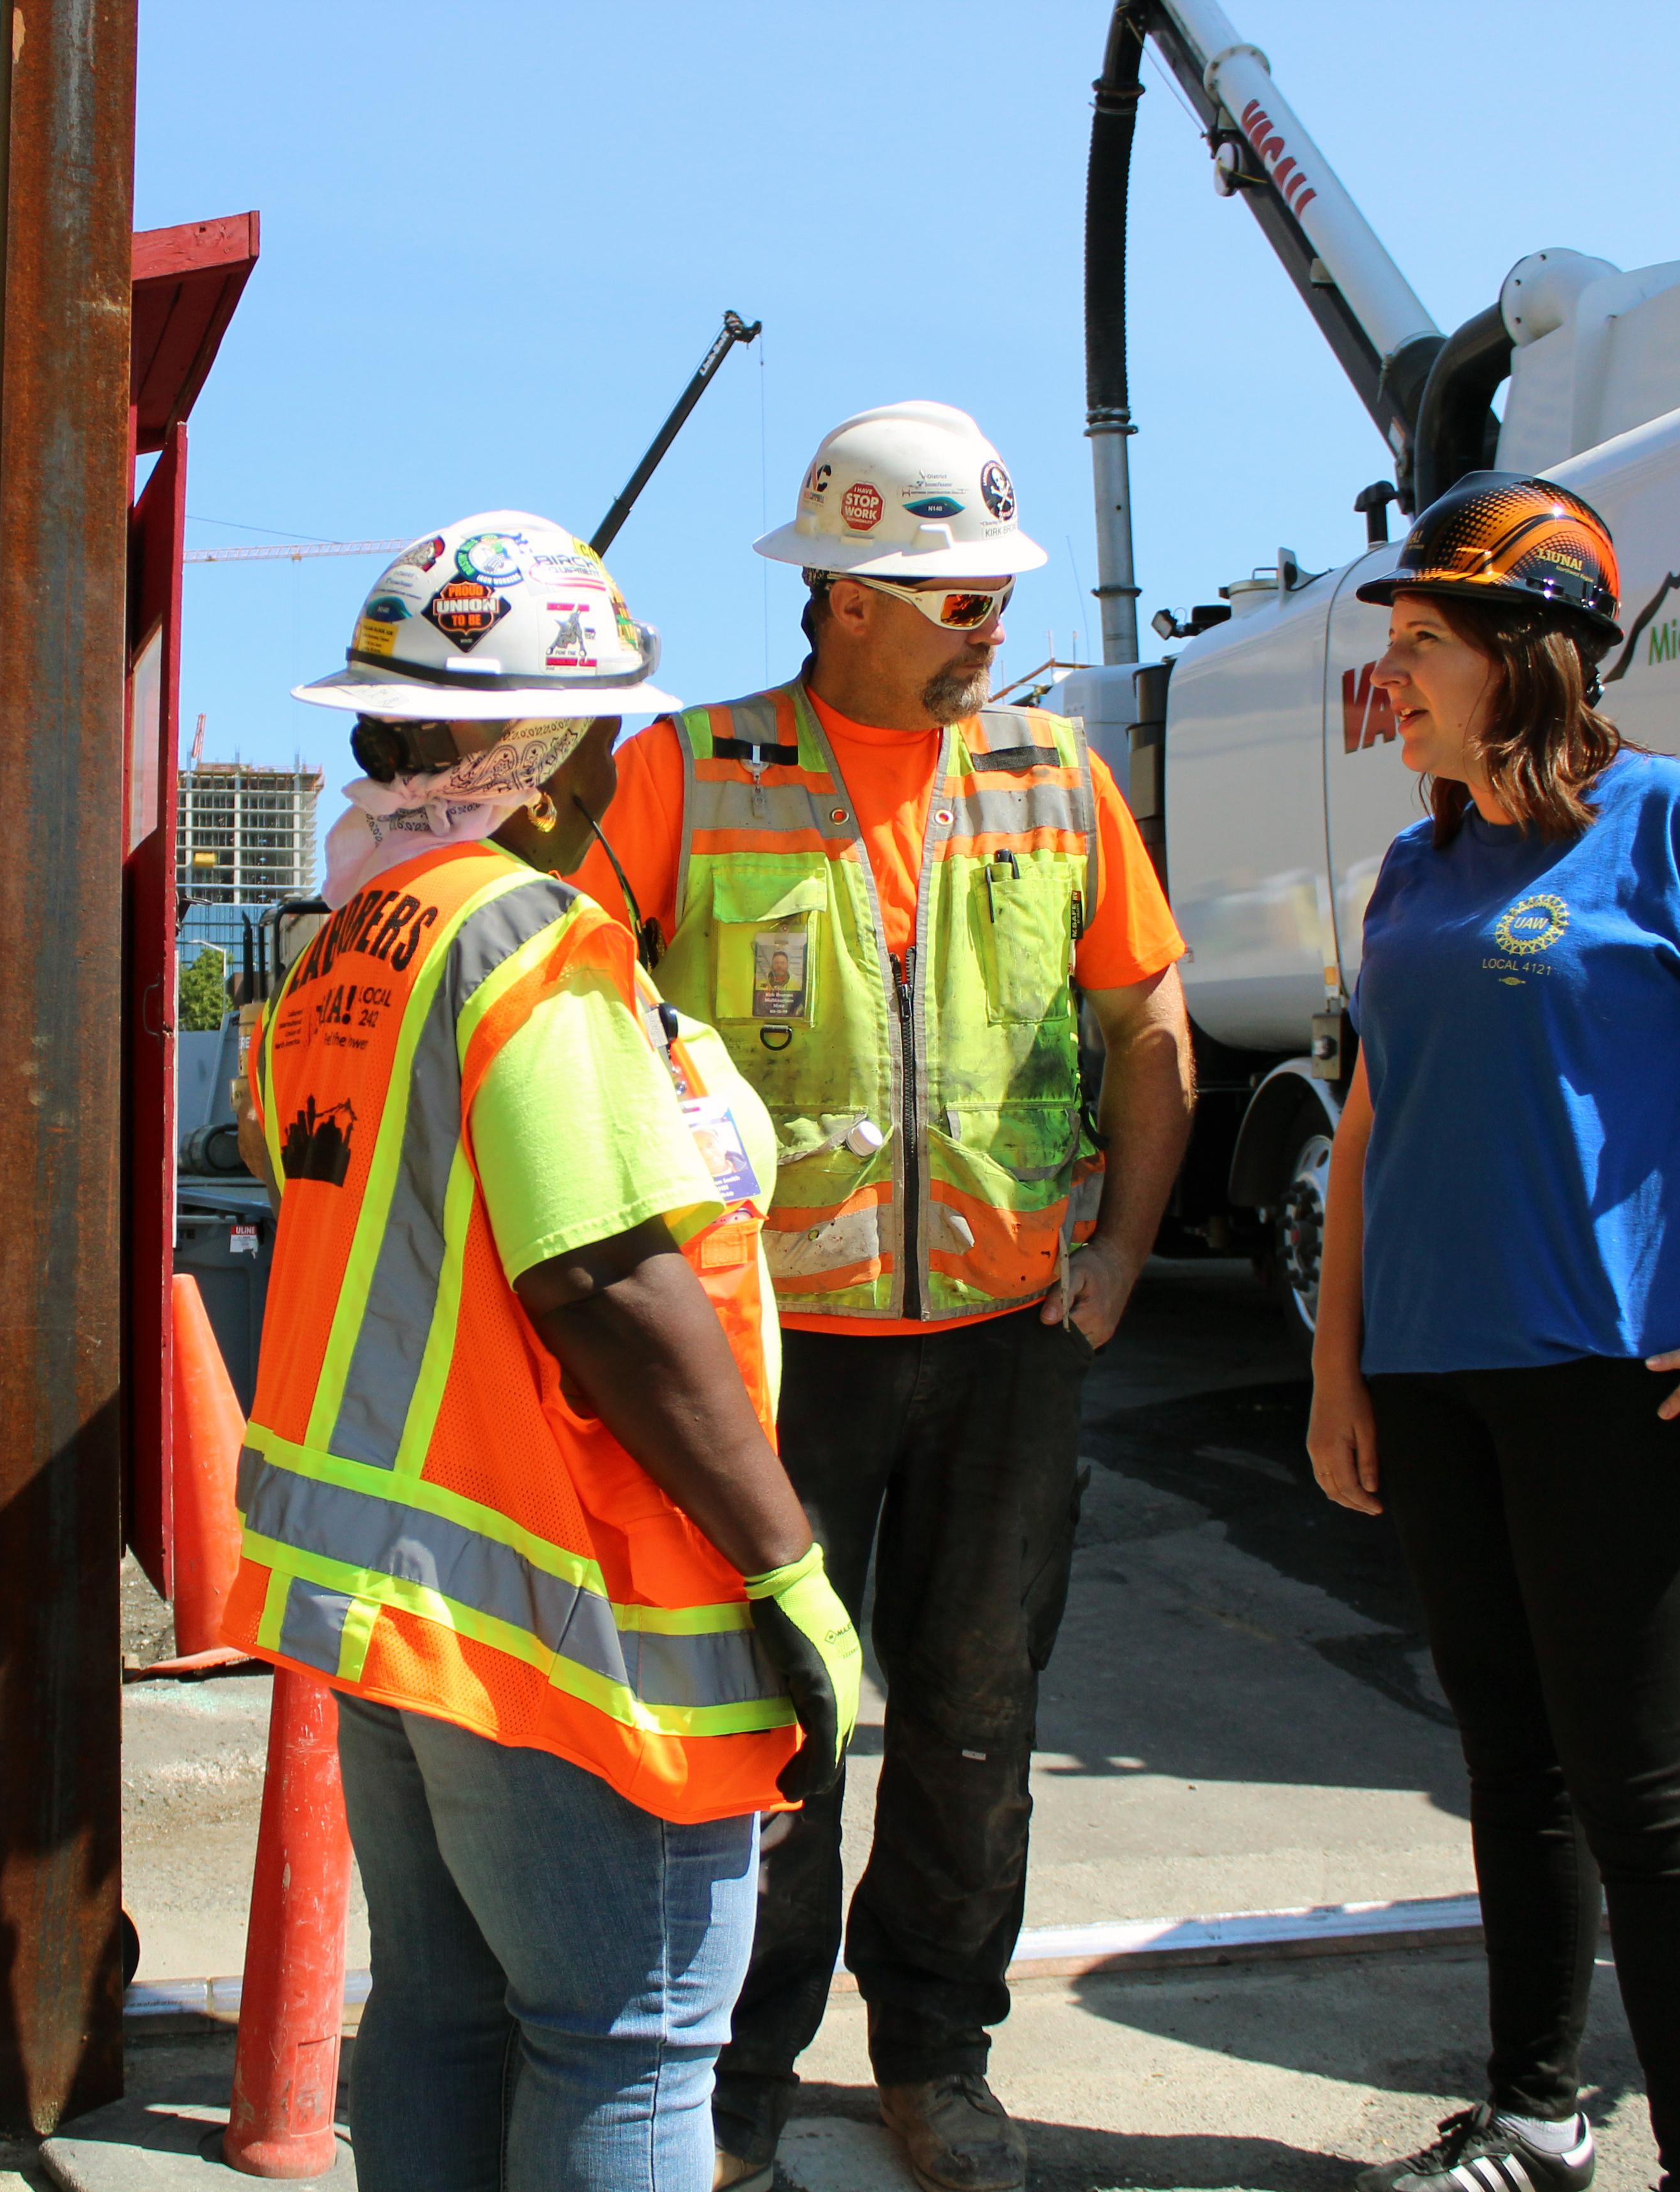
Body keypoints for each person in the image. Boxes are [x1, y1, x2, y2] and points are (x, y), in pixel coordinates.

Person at [566, 405, 1195, 2192]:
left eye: (997, 594)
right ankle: (733, 2087)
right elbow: (582, 1035)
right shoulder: (690, 774)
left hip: (1005, 1348)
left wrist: (1128, 1256)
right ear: (844, 596)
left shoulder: (1056, 779)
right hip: (774, 1360)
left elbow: (1150, 1025)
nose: (992, 624)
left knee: (977, 1720)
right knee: (775, 1729)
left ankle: (938, 2057)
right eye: (957, 599)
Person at [224, 511, 868, 2191]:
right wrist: (787, 1563)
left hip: (404, 1594)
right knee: (629, 2041)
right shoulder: (527, 942)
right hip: (571, 1602)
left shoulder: (346, 943)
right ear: (552, 748)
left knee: (444, 2011)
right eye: (613, 728)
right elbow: (605, 1276)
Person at [1302, 473, 1680, 2192]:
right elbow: (1368, 1131)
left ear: (1535, 657)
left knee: (1642, 1800)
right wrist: (1339, 1369)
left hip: (1618, 1390)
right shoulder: (1416, 867)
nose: (1393, 678)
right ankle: (1535, 2112)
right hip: (1436, 1385)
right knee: (1511, 1773)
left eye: (1422, 643)